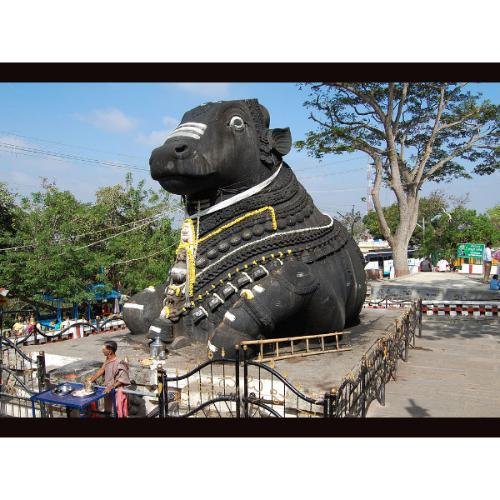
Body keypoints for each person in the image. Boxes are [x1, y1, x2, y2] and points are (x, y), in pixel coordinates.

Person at [87, 340, 130, 417]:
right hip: (107, 388)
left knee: (116, 411)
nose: (102, 351)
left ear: (110, 351)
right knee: (108, 411)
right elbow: (102, 370)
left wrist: (112, 386)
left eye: (104, 350)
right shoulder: (107, 359)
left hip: (116, 389)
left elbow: (122, 379)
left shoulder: (120, 362)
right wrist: (90, 380)